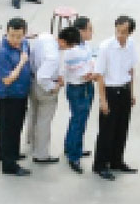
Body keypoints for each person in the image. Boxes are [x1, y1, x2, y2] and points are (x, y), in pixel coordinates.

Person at [92, 16, 139, 180]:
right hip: (110, 92)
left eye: (124, 32)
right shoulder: (106, 47)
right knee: (106, 131)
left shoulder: (131, 45)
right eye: (118, 31)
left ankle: (116, 161)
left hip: (124, 90)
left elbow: (131, 70)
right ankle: (100, 165)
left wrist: (131, 93)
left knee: (122, 128)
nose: (120, 35)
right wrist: (103, 100)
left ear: (130, 32)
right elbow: (99, 75)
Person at [28, 28, 79, 165]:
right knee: (44, 121)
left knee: (33, 113)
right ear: (63, 42)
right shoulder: (53, 57)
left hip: (32, 80)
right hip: (44, 88)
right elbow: (42, 77)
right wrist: (54, 86)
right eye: (70, 46)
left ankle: (31, 140)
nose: (69, 49)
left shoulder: (44, 36)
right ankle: (41, 154)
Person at [0, 17, 34, 176]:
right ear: (6, 32)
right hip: (9, 96)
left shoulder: (24, 44)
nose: (15, 40)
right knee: (9, 129)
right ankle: (9, 165)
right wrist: (22, 62)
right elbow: (7, 79)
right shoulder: (2, 52)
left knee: (16, 127)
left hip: (22, 93)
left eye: (19, 36)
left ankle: (8, 153)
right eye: (12, 35)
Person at [63, 17, 96, 173]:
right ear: (81, 31)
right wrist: (93, 73)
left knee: (77, 120)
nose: (92, 32)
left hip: (85, 87)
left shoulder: (85, 45)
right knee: (79, 121)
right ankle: (74, 155)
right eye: (89, 29)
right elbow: (83, 72)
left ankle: (71, 147)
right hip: (79, 89)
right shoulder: (73, 50)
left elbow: (91, 61)